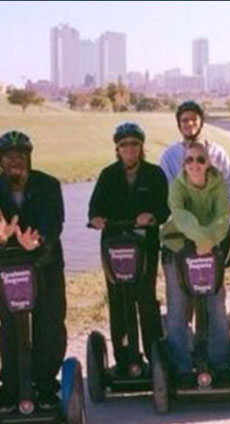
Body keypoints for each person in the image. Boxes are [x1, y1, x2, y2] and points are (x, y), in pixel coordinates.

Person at [0, 130, 67, 411]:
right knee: (11, 328)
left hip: (45, 266)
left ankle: (46, 385)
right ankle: (12, 387)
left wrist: (37, 241)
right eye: (9, 156)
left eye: (21, 156)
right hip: (8, 271)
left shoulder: (48, 185)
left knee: (49, 326)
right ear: (0, 161)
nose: (15, 161)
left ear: (29, 158)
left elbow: (55, 224)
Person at [88, 122, 170, 372]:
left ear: (141, 146)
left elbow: (165, 209)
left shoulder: (154, 174)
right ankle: (124, 357)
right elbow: (94, 208)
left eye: (134, 144)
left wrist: (152, 217)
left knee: (145, 297)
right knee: (119, 299)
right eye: (124, 145)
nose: (129, 149)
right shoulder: (108, 175)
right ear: (117, 148)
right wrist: (96, 219)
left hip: (145, 244)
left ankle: (154, 353)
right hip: (114, 246)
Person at [160, 140, 230, 385]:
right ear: (183, 164)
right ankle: (181, 368)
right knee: (178, 309)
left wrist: (209, 242)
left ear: (208, 162)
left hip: (209, 251)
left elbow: (223, 217)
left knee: (216, 306)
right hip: (178, 249)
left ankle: (222, 364)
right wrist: (203, 238)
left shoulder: (219, 183)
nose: (195, 165)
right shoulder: (177, 185)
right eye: (189, 160)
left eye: (200, 160)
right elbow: (180, 216)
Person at [158, 100, 230, 206]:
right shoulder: (169, 156)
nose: (190, 123)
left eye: (194, 119)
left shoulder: (217, 152)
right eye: (185, 120)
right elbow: (166, 188)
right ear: (179, 124)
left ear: (201, 123)